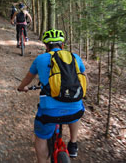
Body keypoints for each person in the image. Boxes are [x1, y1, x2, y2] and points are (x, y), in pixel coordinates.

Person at [17, 29, 86, 163]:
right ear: (62, 46)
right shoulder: (75, 57)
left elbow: (28, 78)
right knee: (76, 108)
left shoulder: (40, 59)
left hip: (49, 113)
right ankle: (73, 143)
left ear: (46, 47)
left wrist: (21, 88)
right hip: (75, 110)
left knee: (41, 137)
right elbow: (84, 79)